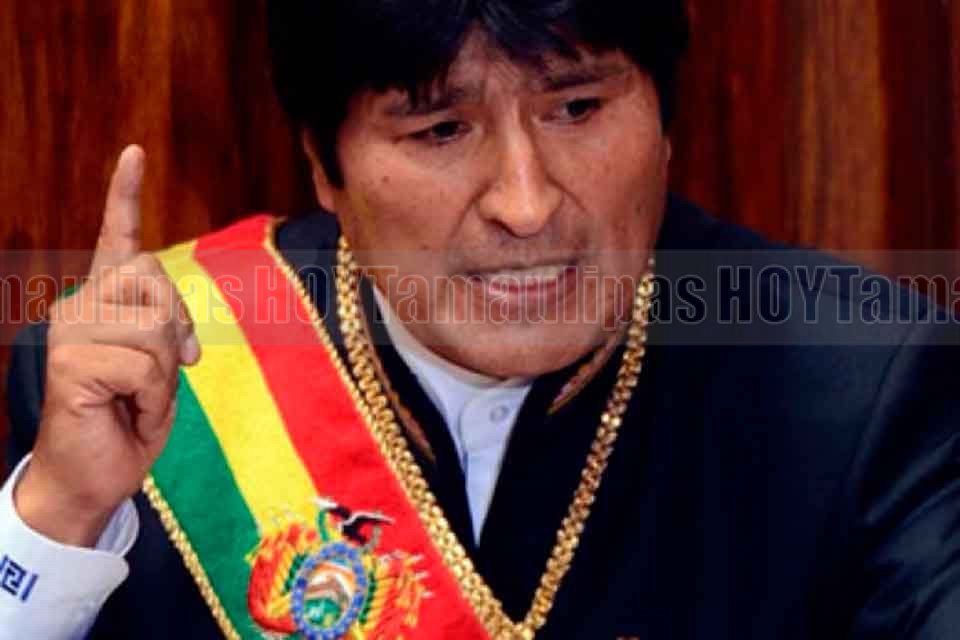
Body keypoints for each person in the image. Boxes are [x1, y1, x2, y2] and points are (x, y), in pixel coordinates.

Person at [2, 1, 959, 638]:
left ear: (667, 125)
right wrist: (59, 518)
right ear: (325, 168)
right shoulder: (141, 381)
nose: (526, 204)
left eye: (577, 108)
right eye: (441, 130)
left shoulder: (862, 383)